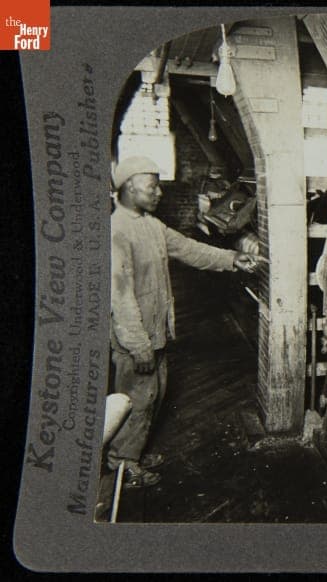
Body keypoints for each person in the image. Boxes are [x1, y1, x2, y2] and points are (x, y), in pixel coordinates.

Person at [108, 156, 263, 488]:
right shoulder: (117, 232)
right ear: (130, 188)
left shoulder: (151, 225)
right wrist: (138, 346)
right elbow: (119, 298)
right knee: (135, 399)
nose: (159, 192)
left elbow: (189, 249)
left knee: (153, 396)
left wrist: (233, 258)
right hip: (137, 340)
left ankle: (134, 452)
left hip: (155, 333)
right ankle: (123, 464)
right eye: (152, 187)